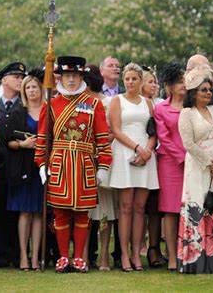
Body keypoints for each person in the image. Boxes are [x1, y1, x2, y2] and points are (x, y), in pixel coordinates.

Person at [35, 56, 112, 273]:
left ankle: (78, 257)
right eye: (67, 75)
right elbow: (43, 138)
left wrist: (104, 165)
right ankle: (62, 257)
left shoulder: (94, 104)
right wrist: (41, 163)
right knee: (60, 213)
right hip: (59, 163)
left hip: (84, 163)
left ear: (81, 77)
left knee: (82, 214)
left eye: (75, 76)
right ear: (61, 77)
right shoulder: (51, 104)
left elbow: (102, 138)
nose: (71, 80)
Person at [177, 65, 213, 274]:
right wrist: (209, 163)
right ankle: (194, 261)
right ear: (193, 93)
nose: (208, 93)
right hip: (198, 168)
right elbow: (188, 143)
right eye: (203, 90)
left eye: (209, 89)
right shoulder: (186, 114)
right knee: (199, 205)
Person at [109, 62, 159, 272]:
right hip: (124, 152)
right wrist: (137, 148)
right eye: (127, 79)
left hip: (146, 154)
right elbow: (116, 130)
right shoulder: (116, 100)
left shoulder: (148, 103)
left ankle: (137, 253)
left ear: (140, 81)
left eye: (134, 79)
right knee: (126, 207)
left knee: (141, 208)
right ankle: (124, 254)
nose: (130, 82)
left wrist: (147, 150)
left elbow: (153, 130)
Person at [6, 74, 44, 271]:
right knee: (25, 212)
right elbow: (8, 141)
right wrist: (24, 144)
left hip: (42, 168)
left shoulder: (48, 111)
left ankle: (36, 257)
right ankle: (23, 255)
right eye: (28, 87)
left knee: (38, 212)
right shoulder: (17, 112)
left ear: (41, 90)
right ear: (24, 91)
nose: (31, 90)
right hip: (23, 166)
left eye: (34, 87)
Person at [0, 61, 27, 268]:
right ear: (4, 80)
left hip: (19, 165)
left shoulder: (24, 104)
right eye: (16, 77)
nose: (20, 81)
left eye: (21, 78)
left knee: (17, 211)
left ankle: (16, 253)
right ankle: (0, 254)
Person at [84, 65, 118, 271]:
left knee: (105, 209)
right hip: (83, 159)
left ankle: (104, 256)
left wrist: (99, 142)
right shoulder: (79, 103)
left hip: (104, 158)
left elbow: (115, 131)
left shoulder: (107, 102)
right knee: (85, 212)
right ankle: (84, 255)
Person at [154, 62, 186, 271]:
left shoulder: (193, 106)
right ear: (170, 86)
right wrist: (182, 157)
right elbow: (163, 138)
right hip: (170, 163)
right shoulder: (161, 108)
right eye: (179, 82)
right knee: (171, 210)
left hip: (194, 162)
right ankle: (172, 256)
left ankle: (188, 252)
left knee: (188, 209)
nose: (183, 85)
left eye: (185, 81)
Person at [140, 67, 164, 268]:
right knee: (138, 207)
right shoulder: (137, 104)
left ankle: (154, 248)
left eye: (156, 82)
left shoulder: (161, 104)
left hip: (159, 158)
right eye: (150, 81)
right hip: (138, 155)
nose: (154, 85)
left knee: (155, 207)